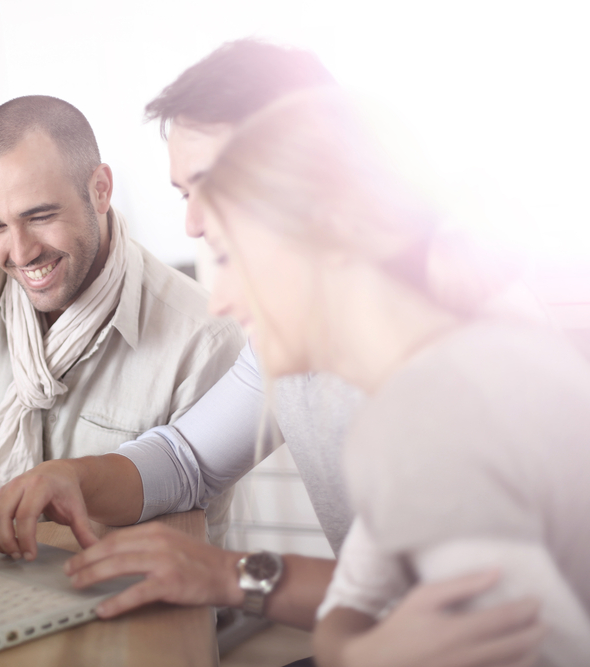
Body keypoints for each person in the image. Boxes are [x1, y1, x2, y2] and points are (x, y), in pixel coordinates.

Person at [0, 39, 548, 665]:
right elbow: (190, 456)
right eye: (182, 192)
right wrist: (76, 477)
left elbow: (465, 615)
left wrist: (231, 575)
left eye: (210, 185)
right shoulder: (300, 323)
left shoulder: (465, 362)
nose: (193, 222)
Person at [198, 90, 575, 666]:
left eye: (227, 256)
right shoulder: (449, 369)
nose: (217, 300)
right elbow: (348, 608)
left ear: (329, 232)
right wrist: (356, 652)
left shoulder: (424, 417)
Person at [0, 95, 244, 540]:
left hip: (139, 597)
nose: (19, 253)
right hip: (4, 590)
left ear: (100, 189)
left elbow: (190, 515)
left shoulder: (202, 338)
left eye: (39, 216)